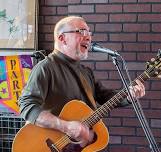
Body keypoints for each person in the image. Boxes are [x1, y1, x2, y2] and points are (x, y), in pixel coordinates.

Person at [18, 16, 145, 151]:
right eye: (82, 32)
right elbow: (27, 106)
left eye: (89, 33)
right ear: (62, 38)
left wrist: (128, 96)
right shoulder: (46, 68)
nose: (89, 38)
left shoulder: (86, 72)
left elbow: (104, 96)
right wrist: (65, 126)